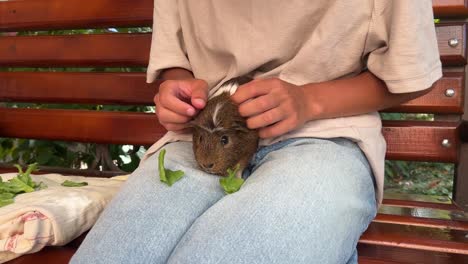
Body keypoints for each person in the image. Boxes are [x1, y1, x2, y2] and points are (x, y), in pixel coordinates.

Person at [71, 1, 442, 263]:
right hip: (199, 134)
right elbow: (176, 63)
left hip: (326, 135)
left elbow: (408, 75)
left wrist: (309, 101)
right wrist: (181, 91)